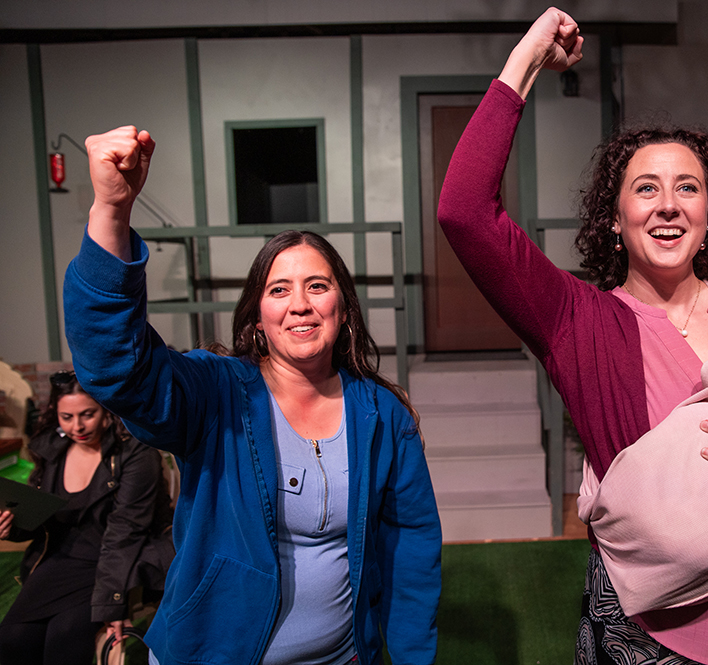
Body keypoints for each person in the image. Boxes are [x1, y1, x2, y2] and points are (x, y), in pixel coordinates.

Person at [436, 8, 708, 665]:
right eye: (646, 189)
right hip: (642, 637)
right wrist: (526, 59)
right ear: (614, 218)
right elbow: (464, 211)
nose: (668, 204)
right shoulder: (577, 321)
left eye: (688, 188)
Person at [61, 127, 441, 665]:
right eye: (279, 289)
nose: (300, 304)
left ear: (343, 308)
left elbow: (411, 549)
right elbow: (116, 367)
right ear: (258, 318)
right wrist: (111, 210)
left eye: (317, 285)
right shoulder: (215, 394)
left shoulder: (382, 415)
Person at [0, 370, 174, 665]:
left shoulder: (135, 453)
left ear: (106, 409)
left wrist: (112, 604)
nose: (77, 426)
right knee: (11, 640)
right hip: (58, 560)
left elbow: (126, 532)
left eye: (87, 414)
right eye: (66, 417)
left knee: (64, 639)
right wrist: (11, 527)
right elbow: (42, 519)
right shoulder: (52, 449)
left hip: (112, 563)